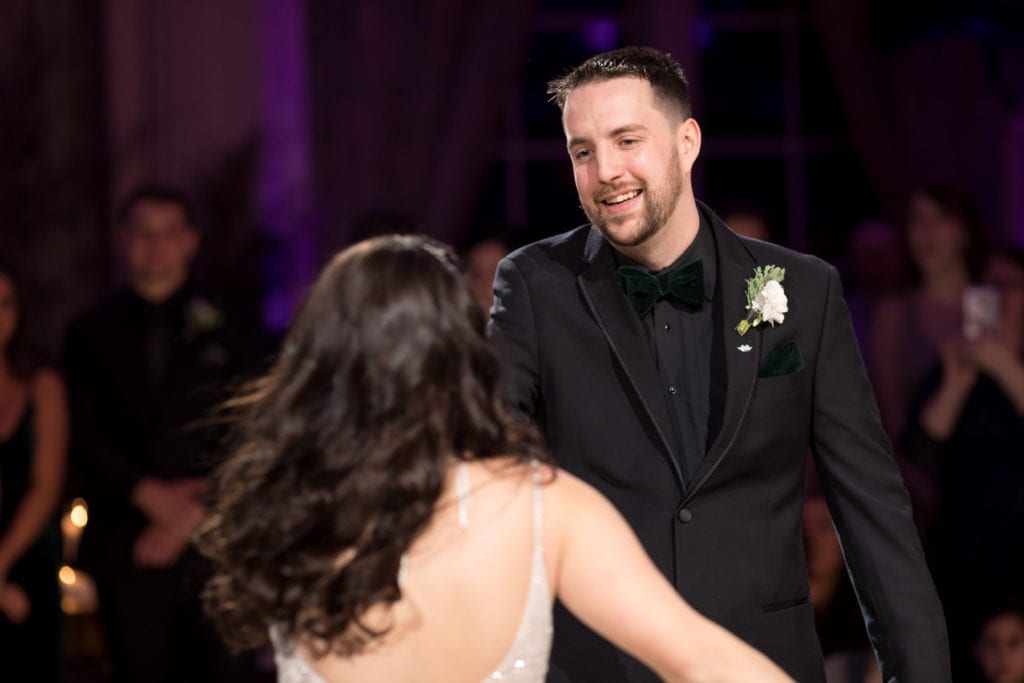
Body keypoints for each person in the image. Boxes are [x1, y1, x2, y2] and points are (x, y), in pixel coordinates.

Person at [488, 46, 949, 682]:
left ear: (687, 141)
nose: (606, 172)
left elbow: (872, 510)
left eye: (627, 140)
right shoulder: (536, 286)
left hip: (764, 662)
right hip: (599, 667)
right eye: (583, 151)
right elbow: (483, 476)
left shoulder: (804, 291)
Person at [194, 235, 793, 683]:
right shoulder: (545, 510)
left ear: (319, 360)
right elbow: (704, 659)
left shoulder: (287, 510)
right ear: (467, 352)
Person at [63, 185, 268, 683]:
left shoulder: (238, 325)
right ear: (122, 239)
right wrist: (147, 493)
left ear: (191, 241)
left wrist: (195, 507)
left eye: (168, 232)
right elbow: (83, 434)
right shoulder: (89, 332)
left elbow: (257, 427)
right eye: (142, 232)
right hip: (127, 543)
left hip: (217, 541)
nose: (155, 244)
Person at [903, 247, 1024, 680]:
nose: (994, 295)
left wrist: (1007, 368)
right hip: (966, 544)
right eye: (986, 286)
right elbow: (918, 452)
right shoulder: (956, 362)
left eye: (1007, 285)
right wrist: (958, 381)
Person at [869, 183, 989, 444]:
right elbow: (891, 417)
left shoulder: (990, 304)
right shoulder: (893, 314)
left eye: (941, 217)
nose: (927, 230)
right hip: (921, 465)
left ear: (965, 231)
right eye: (917, 219)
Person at [0, 259, 69, 683]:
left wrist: (0, 565)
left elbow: (46, 486)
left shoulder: (42, 385)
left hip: (27, 559)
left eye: (4, 303)